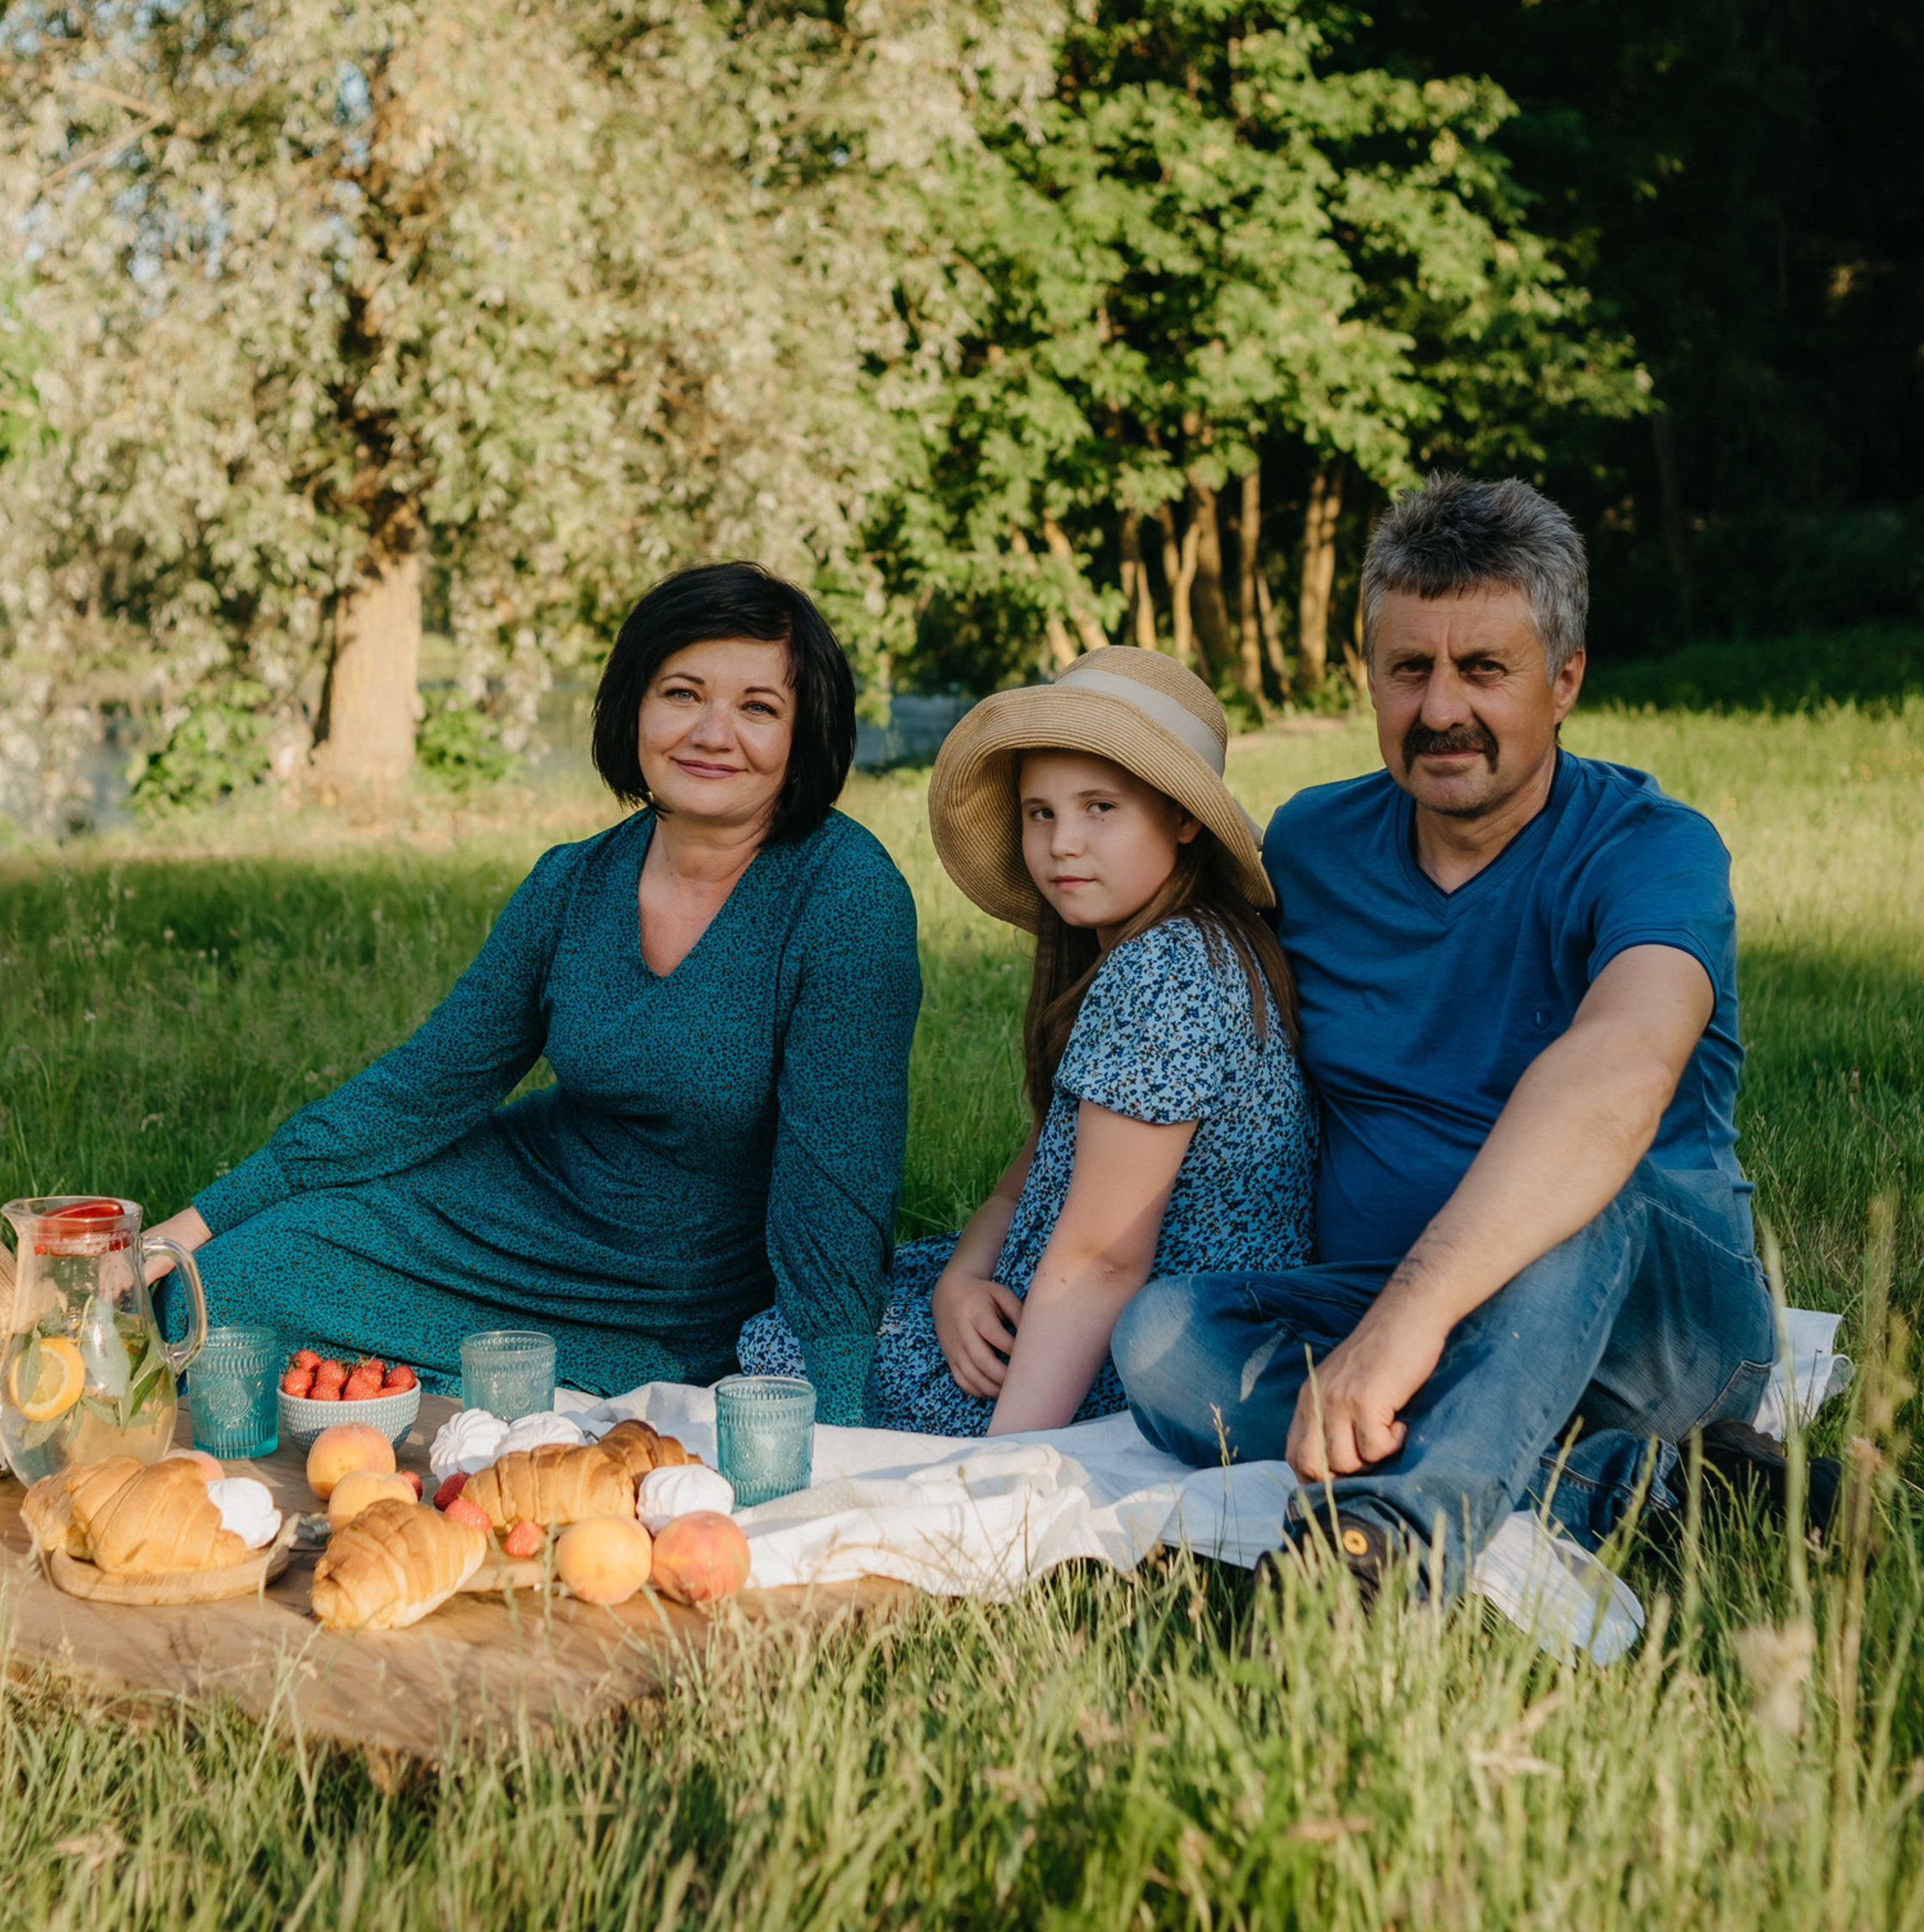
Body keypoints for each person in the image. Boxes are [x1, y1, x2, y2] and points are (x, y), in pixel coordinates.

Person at [1112, 476, 1833, 1595]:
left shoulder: (1654, 850)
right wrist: (997, 1233)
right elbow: (1164, 1022)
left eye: (1484, 669)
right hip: (1387, 1299)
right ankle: (1663, 1490)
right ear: (1371, 677)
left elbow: (1617, 1074)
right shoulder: (1310, 846)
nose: (1441, 708)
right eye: (1411, 670)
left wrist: (1407, 1324)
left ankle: (1375, 1555)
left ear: (1567, 680)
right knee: (1161, 1339)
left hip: (1657, 1325)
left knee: (1589, 1182)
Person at [149, 562, 922, 1426]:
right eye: (682, 692)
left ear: (803, 733)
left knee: (552, 1402)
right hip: (511, 1209)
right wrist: (188, 1229)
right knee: (221, 1290)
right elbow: (423, 1088)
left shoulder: (846, 898)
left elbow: (839, 1194)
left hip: (676, 1296)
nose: (712, 732)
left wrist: (839, 1426)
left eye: (757, 707)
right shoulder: (572, 882)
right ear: (633, 704)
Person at [743, 649, 1315, 1434]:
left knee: (786, 1345)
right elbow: (1033, 1171)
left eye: (1100, 808)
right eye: (1040, 812)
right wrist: (961, 1277)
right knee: (835, 1290)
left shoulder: (1166, 971)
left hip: (1110, 1358)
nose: (1061, 843)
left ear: (1184, 818)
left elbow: (1103, 1261)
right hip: (1062, 1299)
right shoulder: (1169, 949)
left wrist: (1005, 1474)